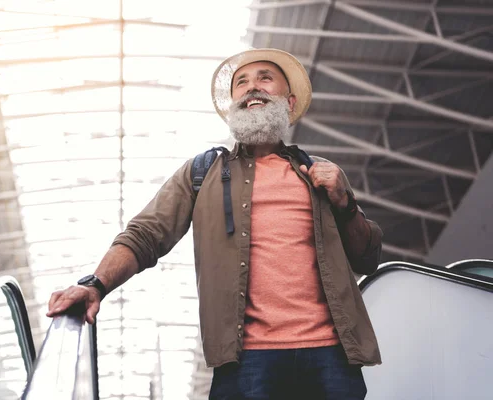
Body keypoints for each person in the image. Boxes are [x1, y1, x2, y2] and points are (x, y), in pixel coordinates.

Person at [47, 48, 383, 399]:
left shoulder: (319, 174)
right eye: (242, 83)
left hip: (331, 355)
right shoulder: (202, 172)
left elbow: (368, 258)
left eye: (265, 78)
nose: (252, 87)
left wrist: (346, 203)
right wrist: (95, 285)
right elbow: (145, 235)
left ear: (289, 100)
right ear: (232, 104)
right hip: (247, 362)